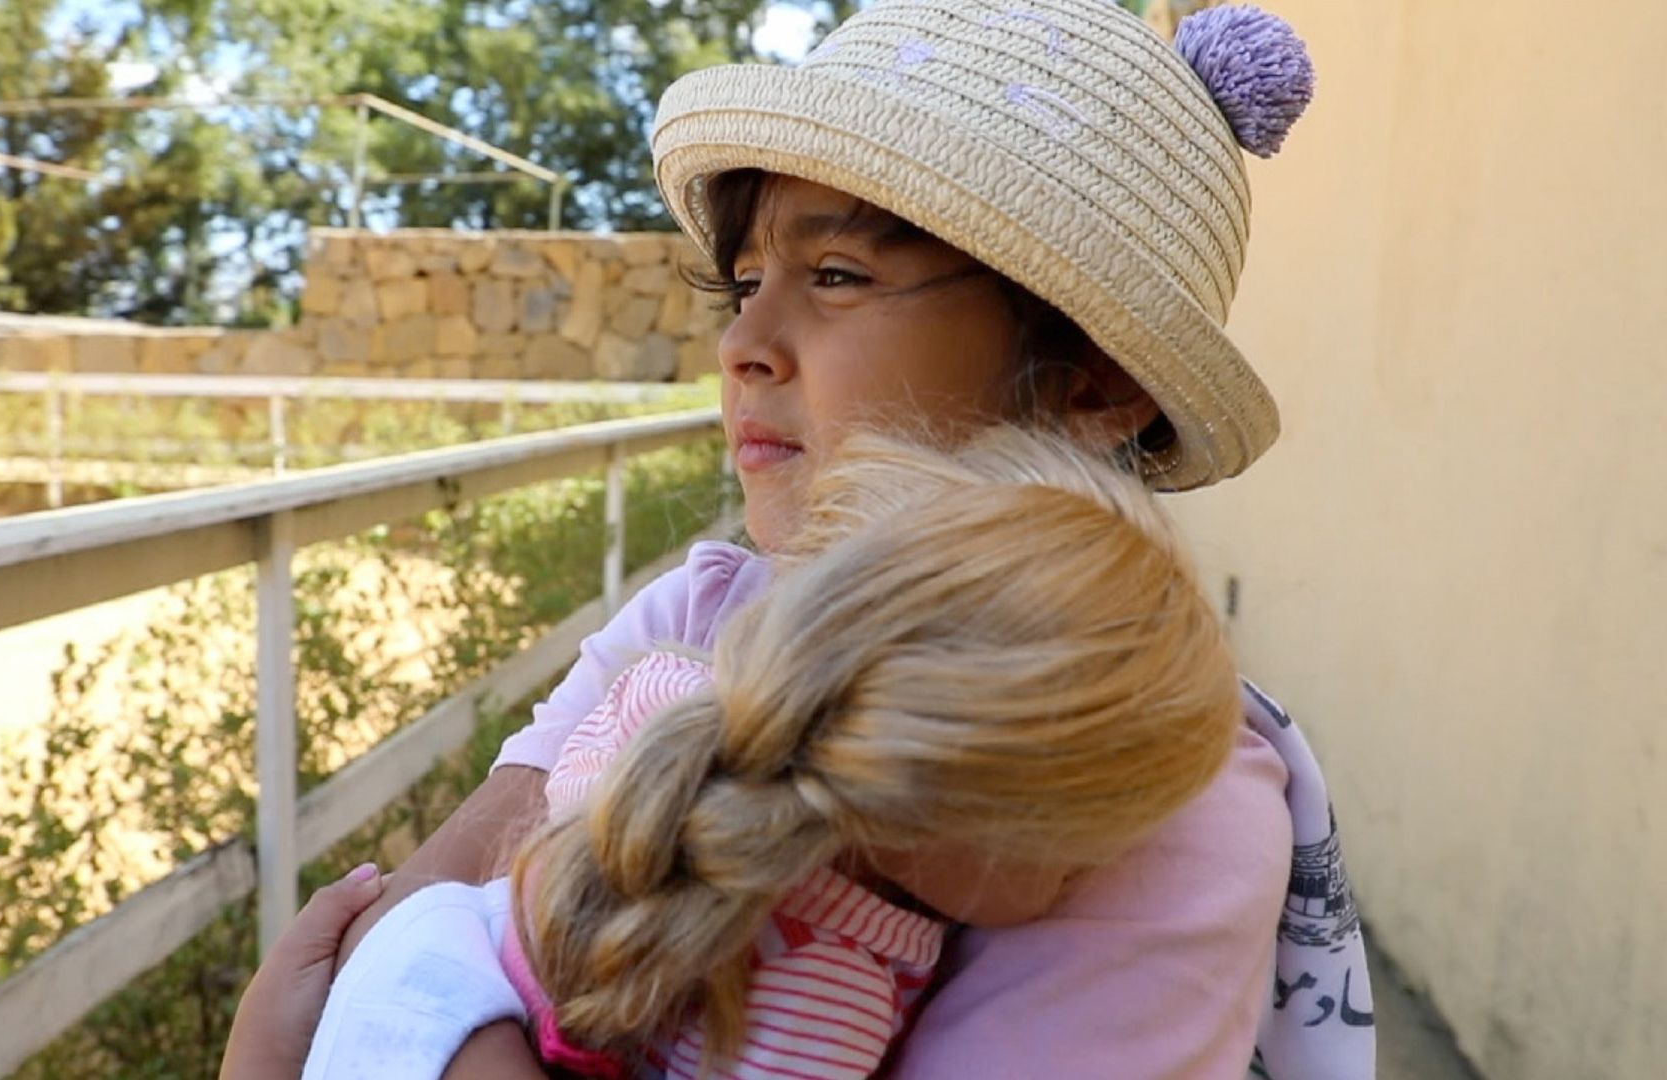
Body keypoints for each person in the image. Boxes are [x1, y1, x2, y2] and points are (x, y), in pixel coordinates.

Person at [224, 1, 1374, 1077]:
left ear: (1097, 377)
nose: (746, 344)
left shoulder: (1127, 769)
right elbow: (440, 894)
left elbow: (388, 974)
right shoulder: (698, 614)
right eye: (743, 283)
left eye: (837, 275)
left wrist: (408, 1030)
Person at [299, 424, 1247, 1080]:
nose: (1088, 879)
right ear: (970, 802)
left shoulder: (668, 707)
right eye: (1084, 844)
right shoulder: (828, 995)